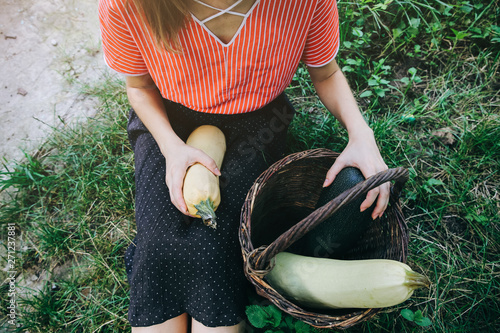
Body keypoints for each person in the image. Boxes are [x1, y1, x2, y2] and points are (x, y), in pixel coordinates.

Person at [98, 0, 390, 332]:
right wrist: (172, 149)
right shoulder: (127, 3)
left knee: (215, 251)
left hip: (257, 124)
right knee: (157, 248)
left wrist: (361, 134)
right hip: (167, 122)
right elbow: (139, 87)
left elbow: (327, 72)